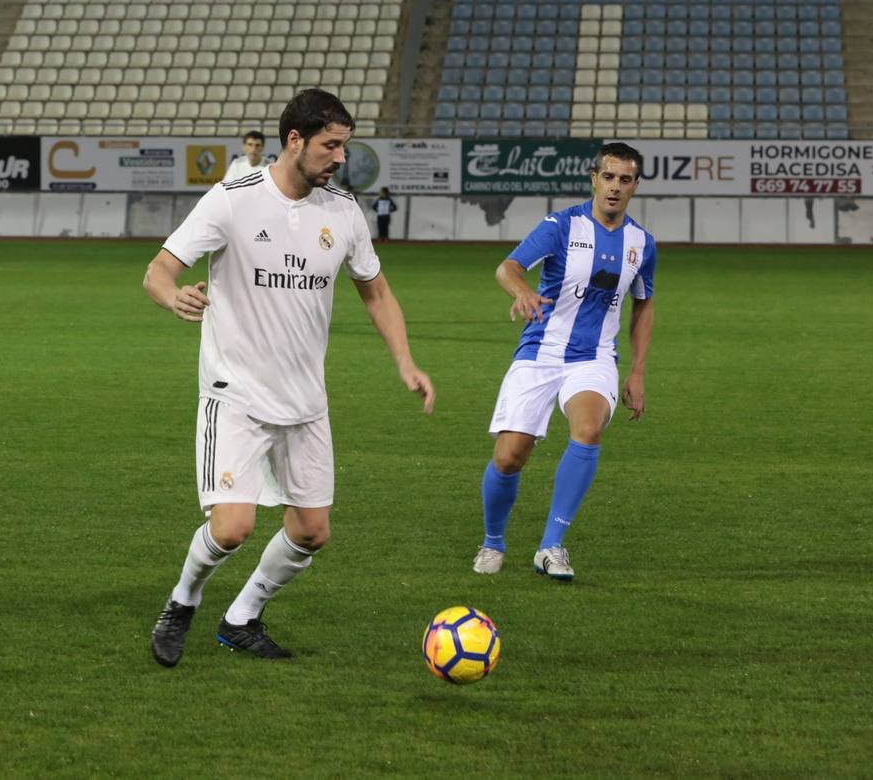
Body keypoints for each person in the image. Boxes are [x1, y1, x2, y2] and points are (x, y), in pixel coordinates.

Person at [143, 89, 435, 667]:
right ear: (294, 140)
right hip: (236, 393)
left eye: (344, 147)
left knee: (311, 532)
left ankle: (241, 618)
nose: (340, 159)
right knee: (231, 528)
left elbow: (376, 291)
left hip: (305, 400)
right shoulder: (232, 200)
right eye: (331, 145)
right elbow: (159, 269)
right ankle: (182, 601)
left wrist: (404, 360)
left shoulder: (343, 212)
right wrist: (173, 296)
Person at [471, 141, 656, 583]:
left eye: (624, 180)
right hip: (540, 352)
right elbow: (508, 268)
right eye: (608, 177)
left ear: (635, 186)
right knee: (510, 456)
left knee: (588, 429)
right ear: (594, 178)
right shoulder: (560, 225)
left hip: (594, 358)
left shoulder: (642, 244)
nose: (614, 187)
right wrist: (522, 291)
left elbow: (643, 305)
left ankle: (551, 546)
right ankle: (493, 541)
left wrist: (637, 371)